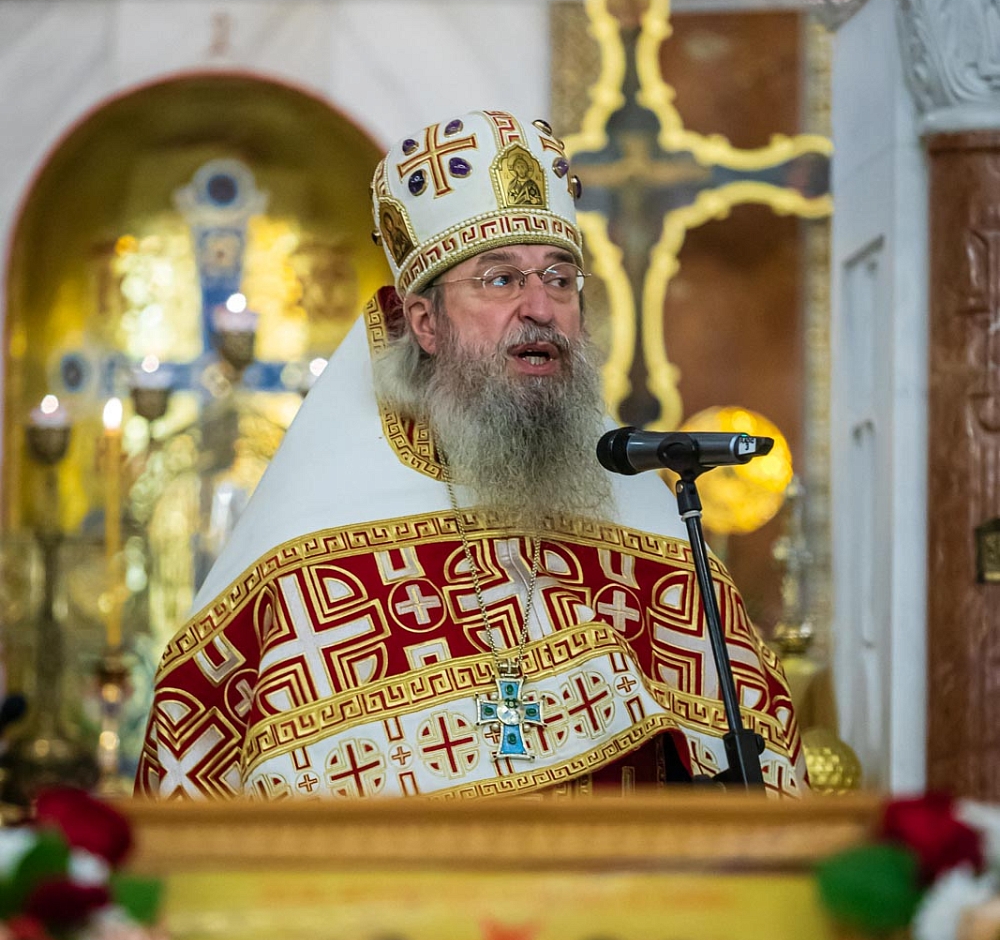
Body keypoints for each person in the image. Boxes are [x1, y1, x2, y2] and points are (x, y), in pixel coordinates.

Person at [137, 109, 804, 799]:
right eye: (501, 279)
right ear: (425, 323)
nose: (541, 307)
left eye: (560, 278)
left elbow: (763, 766)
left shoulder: (652, 534)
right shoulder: (308, 554)